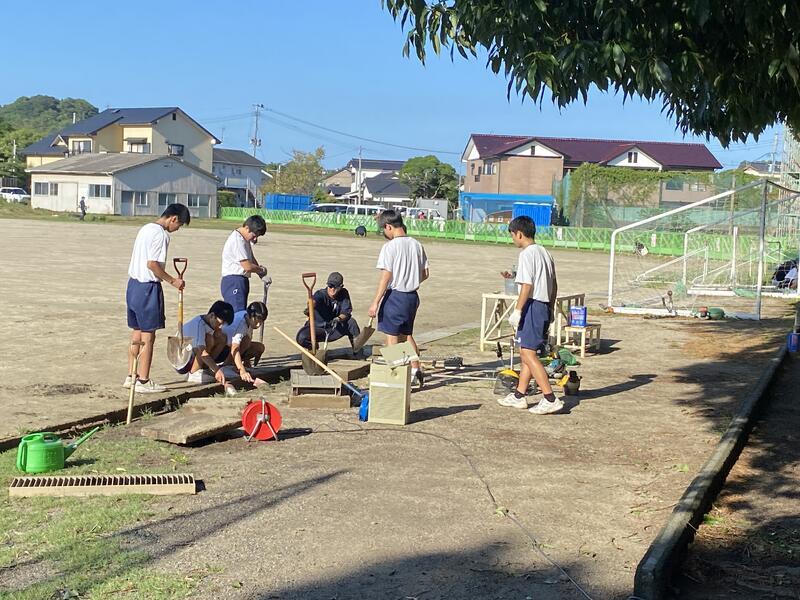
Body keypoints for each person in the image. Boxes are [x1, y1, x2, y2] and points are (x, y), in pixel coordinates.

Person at [499, 215, 563, 415]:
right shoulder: (545, 252)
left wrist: (517, 311)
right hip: (543, 304)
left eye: (512, 235)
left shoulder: (526, 254)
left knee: (528, 353)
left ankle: (550, 398)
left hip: (532, 305)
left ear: (519, 234)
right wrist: (550, 308)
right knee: (527, 351)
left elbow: (527, 285)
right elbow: (554, 284)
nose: (512, 239)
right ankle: (519, 395)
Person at [124, 203, 190, 393]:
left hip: (133, 286)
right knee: (148, 336)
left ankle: (131, 376)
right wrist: (173, 281)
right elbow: (152, 264)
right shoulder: (161, 235)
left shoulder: (145, 228)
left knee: (136, 333)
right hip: (147, 288)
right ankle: (144, 380)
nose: (177, 228)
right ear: (173, 218)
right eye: (179, 225)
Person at [368, 210, 428, 385]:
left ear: (389, 227)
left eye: (383, 229)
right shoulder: (417, 245)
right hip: (412, 297)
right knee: (406, 335)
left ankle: (396, 376)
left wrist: (375, 302)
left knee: (392, 337)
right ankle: (415, 370)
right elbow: (425, 273)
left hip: (395, 296)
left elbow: (386, 276)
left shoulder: (390, 247)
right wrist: (411, 280)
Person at [296, 272, 361, 351]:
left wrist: (339, 319)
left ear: (341, 287)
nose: (332, 289)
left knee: (352, 323)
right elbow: (314, 300)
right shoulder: (320, 294)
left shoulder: (344, 294)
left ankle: (357, 351)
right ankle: (313, 348)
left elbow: (346, 312)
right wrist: (310, 306)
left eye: (335, 287)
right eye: (330, 286)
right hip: (318, 329)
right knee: (301, 337)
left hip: (334, 328)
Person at [175, 301, 234, 384]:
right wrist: (217, 370)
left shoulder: (209, 323)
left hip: (192, 354)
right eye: (219, 323)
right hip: (182, 361)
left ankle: (205, 369)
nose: (220, 327)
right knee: (208, 339)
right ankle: (194, 373)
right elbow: (201, 351)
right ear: (212, 315)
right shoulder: (199, 325)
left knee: (222, 338)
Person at [220, 215, 268, 312]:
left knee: (240, 313)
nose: (255, 239)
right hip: (234, 281)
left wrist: (261, 274)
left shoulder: (244, 239)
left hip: (240, 281)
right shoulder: (238, 240)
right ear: (247, 228)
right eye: (254, 236)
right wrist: (261, 270)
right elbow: (247, 266)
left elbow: (251, 258)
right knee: (237, 315)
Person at [223, 301, 268, 383]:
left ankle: (237, 364)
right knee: (246, 340)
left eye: (261, 322)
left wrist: (247, 360)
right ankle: (227, 365)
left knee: (259, 347)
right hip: (223, 349)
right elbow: (235, 349)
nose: (258, 325)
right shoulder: (240, 325)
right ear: (249, 316)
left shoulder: (247, 316)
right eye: (256, 321)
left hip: (231, 347)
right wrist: (242, 370)